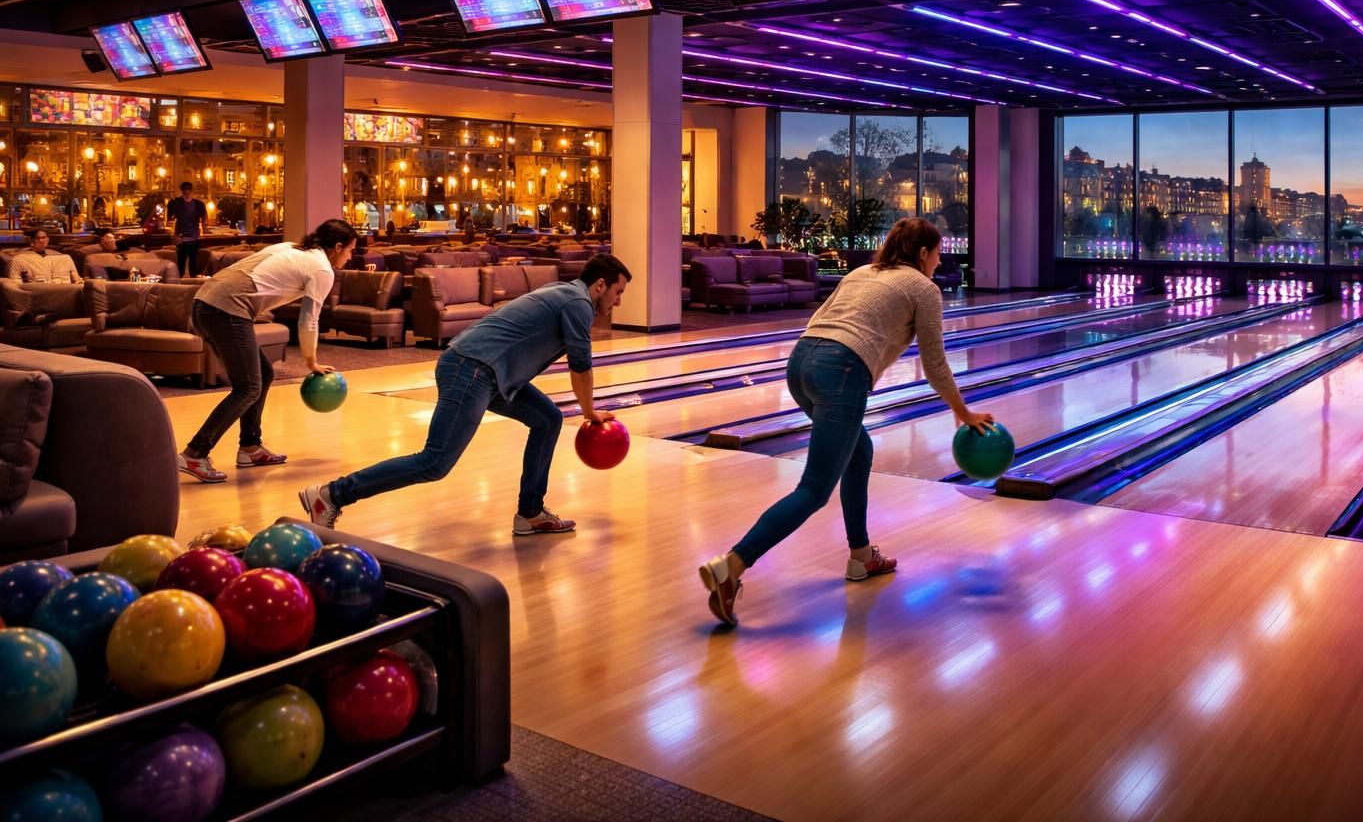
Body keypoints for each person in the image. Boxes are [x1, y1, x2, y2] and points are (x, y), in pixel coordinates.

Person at [698, 218, 994, 628]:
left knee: (860, 452)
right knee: (815, 489)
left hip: (801, 364)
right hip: (842, 372)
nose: (939, 260)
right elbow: (935, 364)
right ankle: (732, 565)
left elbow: (820, 321)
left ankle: (861, 556)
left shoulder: (861, 272)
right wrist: (964, 413)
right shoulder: (924, 288)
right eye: (938, 252)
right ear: (924, 253)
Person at [298, 253, 631, 536]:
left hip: (488, 372)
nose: (618, 301)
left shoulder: (564, 293)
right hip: (472, 369)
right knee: (434, 462)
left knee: (547, 419)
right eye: (617, 292)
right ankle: (331, 494)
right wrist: (590, 412)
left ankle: (530, 513)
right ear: (600, 285)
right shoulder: (578, 303)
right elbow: (581, 365)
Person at [177, 219, 356, 482]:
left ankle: (250, 447)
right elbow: (309, 319)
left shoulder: (292, 247)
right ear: (337, 246)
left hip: (204, 304)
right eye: (350, 250)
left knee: (263, 373)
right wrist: (311, 361)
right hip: (225, 309)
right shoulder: (322, 269)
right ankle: (195, 453)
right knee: (248, 387)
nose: (350, 257)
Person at [7, 228, 81, 283]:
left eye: (44, 238)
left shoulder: (64, 258)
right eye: (38, 238)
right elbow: (15, 284)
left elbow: (77, 279)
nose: (42, 241)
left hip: (66, 293)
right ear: (31, 241)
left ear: (48, 240)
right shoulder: (19, 259)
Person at [166, 181, 207, 278]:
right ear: (182, 190)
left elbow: (204, 217)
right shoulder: (177, 203)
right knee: (181, 263)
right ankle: (182, 280)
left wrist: (204, 228)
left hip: (193, 237)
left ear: (191, 190)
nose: (187, 191)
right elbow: (170, 218)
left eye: (188, 189)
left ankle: (190, 280)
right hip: (182, 238)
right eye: (185, 189)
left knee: (192, 264)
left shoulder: (198, 204)